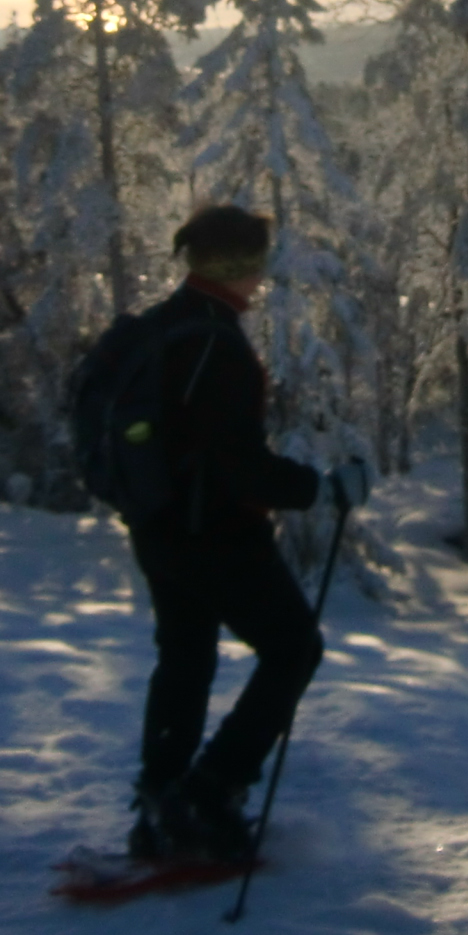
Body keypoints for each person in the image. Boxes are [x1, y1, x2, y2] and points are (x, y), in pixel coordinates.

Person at [122, 204, 370, 863]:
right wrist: (320, 488)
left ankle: (162, 800)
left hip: (158, 529)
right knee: (293, 649)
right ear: (237, 267)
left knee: (185, 659)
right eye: (256, 265)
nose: (261, 281)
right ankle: (209, 792)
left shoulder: (159, 328)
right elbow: (238, 464)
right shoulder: (215, 342)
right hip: (217, 534)